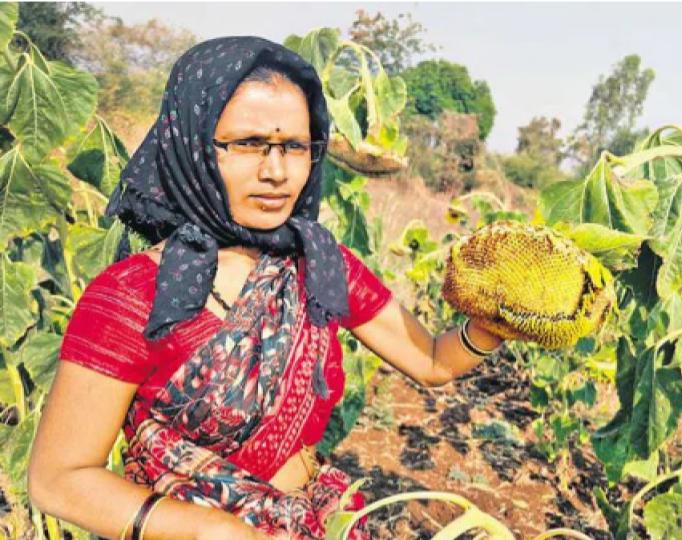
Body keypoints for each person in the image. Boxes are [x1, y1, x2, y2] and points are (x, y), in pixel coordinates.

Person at [26, 36, 504, 540]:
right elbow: (59, 479)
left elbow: (431, 360)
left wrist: (500, 322)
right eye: (249, 144)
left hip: (308, 523)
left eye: (295, 147)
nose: (276, 172)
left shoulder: (319, 266)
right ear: (192, 143)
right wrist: (210, 530)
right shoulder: (130, 295)